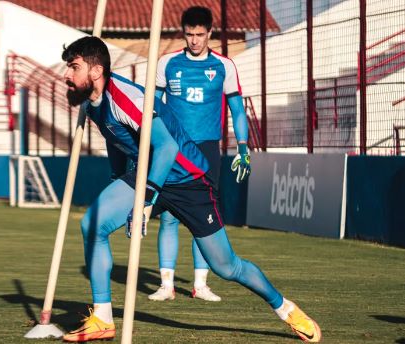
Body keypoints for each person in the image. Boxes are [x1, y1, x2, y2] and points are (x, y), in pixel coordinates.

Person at [60, 36, 321, 343]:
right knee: (93, 224)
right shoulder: (92, 104)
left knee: (226, 266)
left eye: (73, 67)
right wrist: (119, 178)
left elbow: (167, 148)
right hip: (146, 172)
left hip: (187, 179)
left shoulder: (124, 98)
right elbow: (115, 138)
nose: (66, 75)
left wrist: (145, 202)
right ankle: (103, 318)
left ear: (95, 70)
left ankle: (285, 308)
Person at [149, 6, 250, 302]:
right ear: (184, 33)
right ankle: (166, 285)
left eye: (199, 35)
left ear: (209, 34)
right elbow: (151, 107)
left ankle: (200, 284)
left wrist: (242, 147)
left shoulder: (224, 66)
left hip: (207, 149)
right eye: (189, 34)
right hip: (173, 147)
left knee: (203, 217)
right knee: (168, 215)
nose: (194, 40)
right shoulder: (167, 63)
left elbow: (237, 109)